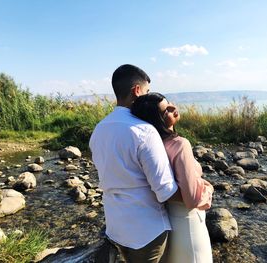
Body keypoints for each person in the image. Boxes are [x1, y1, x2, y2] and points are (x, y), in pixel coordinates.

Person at [89, 65, 178, 263]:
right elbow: (165, 190)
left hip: (116, 226)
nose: (148, 97)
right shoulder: (144, 131)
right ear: (137, 91)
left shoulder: (99, 129)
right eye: (146, 92)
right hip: (146, 231)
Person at [131, 92, 214, 263]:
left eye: (169, 104)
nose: (173, 108)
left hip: (166, 222)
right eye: (166, 111)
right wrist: (208, 189)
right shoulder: (180, 144)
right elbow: (190, 199)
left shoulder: (150, 146)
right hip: (188, 223)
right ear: (157, 120)